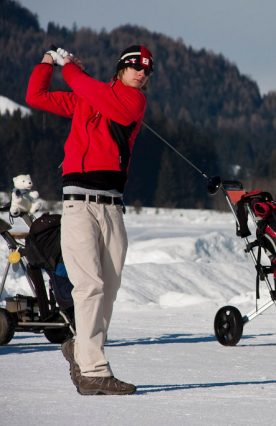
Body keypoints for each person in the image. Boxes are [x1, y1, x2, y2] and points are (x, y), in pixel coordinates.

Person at [26, 45, 154, 395]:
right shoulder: (87, 96)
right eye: (135, 66)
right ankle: (94, 371)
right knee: (89, 287)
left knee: (108, 290)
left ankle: (81, 351)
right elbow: (35, 96)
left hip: (112, 207)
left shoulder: (133, 102)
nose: (142, 73)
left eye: (147, 70)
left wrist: (71, 69)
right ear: (120, 68)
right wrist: (49, 62)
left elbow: (92, 91)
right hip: (78, 205)